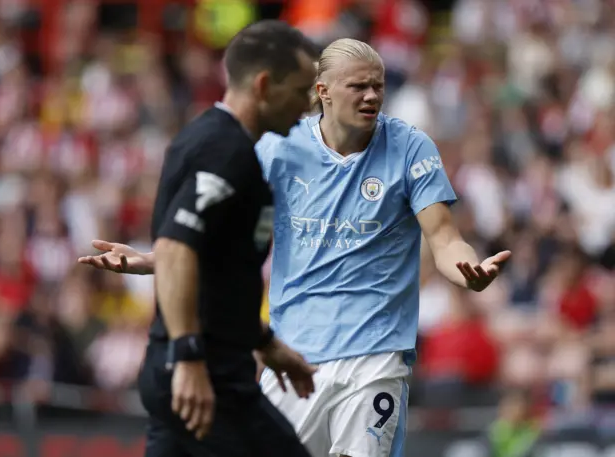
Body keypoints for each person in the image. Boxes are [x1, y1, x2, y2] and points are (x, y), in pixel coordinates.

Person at [80, 38, 511, 457]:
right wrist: (154, 260)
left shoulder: (410, 147)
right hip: (296, 357)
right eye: (357, 86)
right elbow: (224, 236)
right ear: (322, 91)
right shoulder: (278, 149)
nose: (371, 95)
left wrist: (467, 269)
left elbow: (444, 238)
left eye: (377, 85)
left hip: (376, 357)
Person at [85, 20, 320, 457]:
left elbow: (217, 271)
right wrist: (190, 357)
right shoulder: (224, 151)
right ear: (265, 85)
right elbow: (177, 248)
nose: (307, 105)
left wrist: (265, 344)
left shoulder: (213, 140)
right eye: (301, 89)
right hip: (207, 375)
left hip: (184, 367)